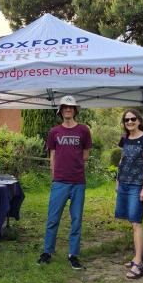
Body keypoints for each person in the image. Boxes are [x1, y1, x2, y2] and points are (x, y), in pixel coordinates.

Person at [38, 95, 92, 270]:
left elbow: (85, 155)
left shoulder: (84, 130)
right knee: (53, 219)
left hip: (78, 182)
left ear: (75, 110)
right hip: (59, 182)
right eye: (65, 107)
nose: (68, 110)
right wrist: (55, 175)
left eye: (71, 107)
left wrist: (74, 167)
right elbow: (52, 156)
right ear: (60, 111)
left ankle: (73, 255)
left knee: (76, 220)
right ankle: (47, 252)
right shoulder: (54, 132)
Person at [115, 108, 143, 279]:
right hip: (124, 183)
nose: (130, 122)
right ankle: (139, 255)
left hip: (137, 185)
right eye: (126, 120)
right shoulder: (124, 139)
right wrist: (117, 181)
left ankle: (138, 264)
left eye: (133, 119)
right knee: (132, 221)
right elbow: (122, 159)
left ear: (139, 120)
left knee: (137, 222)